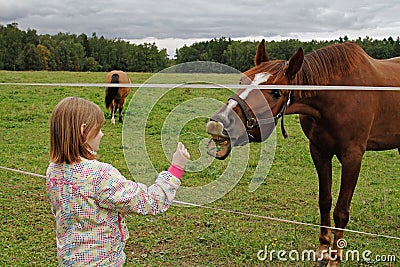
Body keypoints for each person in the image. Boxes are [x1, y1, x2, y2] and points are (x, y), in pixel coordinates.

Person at [46, 96, 190, 266]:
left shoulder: (53, 171)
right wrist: (176, 169)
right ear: (83, 131)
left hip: (69, 260)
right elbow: (150, 201)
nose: (102, 134)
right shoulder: (99, 175)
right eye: (98, 129)